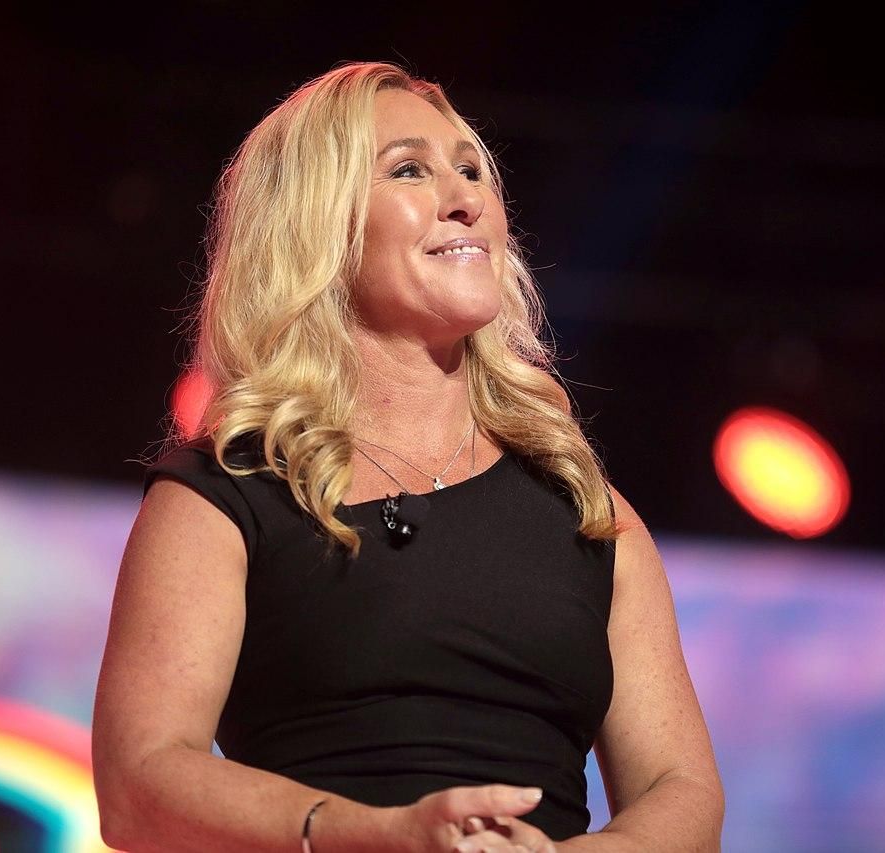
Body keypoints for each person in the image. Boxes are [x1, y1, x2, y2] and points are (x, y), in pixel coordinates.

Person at [92, 61, 723, 852]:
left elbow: (680, 788)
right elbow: (139, 784)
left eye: (472, 170)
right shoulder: (222, 497)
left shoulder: (586, 510)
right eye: (409, 170)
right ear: (318, 225)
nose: (466, 199)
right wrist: (377, 834)